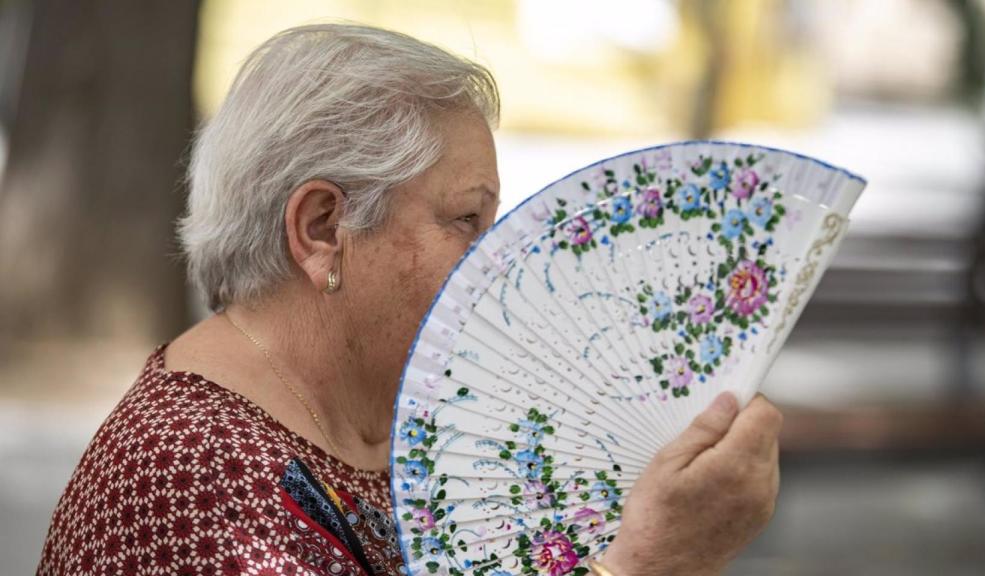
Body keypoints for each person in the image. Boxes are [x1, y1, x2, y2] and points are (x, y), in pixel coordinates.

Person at [37, 23, 783, 576]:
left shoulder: (386, 424)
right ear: (323, 229)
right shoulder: (199, 477)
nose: (496, 262)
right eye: (465, 220)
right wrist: (650, 562)